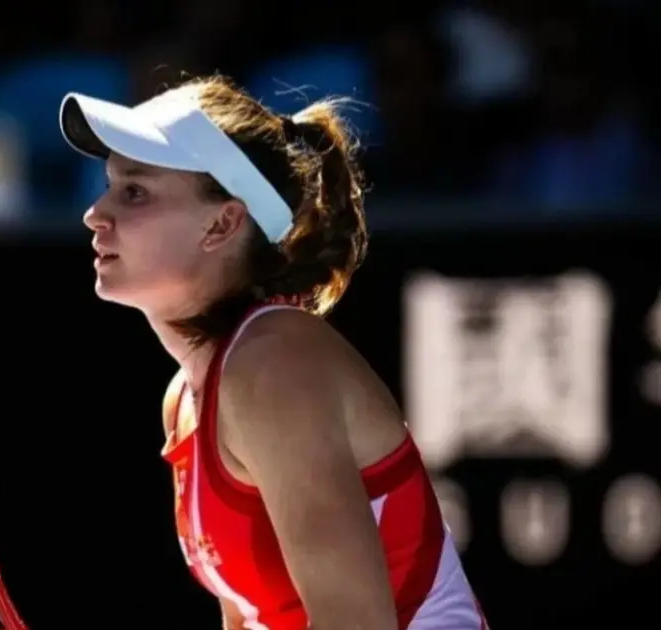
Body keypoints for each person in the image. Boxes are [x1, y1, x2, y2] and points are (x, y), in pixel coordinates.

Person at [59, 75, 488, 630]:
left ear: (222, 223)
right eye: (110, 186)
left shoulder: (272, 366)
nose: (96, 212)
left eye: (134, 192)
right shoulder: (186, 397)